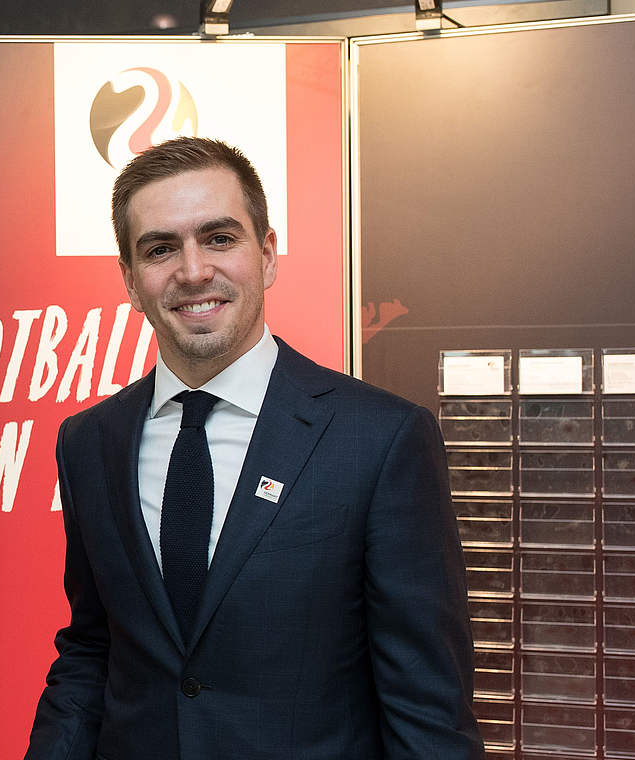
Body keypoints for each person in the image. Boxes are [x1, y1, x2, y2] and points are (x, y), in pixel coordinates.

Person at [25, 137, 482, 759]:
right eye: (161, 248)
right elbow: (93, 650)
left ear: (266, 255)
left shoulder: (380, 440)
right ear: (130, 280)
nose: (192, 271)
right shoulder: (89, 443)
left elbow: (427, 706)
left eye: (219, 238)